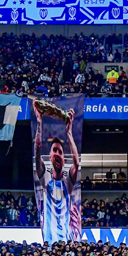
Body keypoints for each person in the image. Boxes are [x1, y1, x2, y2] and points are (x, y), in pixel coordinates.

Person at [33, 104, 81, 243]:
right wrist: (39, 122)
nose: (58, 154)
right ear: (50, 156)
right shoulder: (45, 178)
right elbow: (37, 151)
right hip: (48, 239)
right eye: (55, 150)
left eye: (60, 152)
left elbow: (76, 163)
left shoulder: (68, 182)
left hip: (66, 239)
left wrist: (69, 133)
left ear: (64, 161)